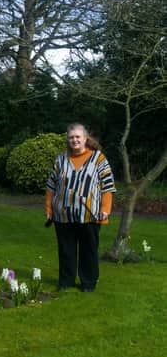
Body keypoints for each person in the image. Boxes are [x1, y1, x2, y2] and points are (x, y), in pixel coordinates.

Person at [46, 123, 116, 292]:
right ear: (67, 140)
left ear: (85, 138)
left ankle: (88, 283)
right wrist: (49, 210)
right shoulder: (60, 160)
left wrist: (106, 209)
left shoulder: (98, 159)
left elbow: (108, 187)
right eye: (71, 137)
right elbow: (51, 186)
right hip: (63, 214)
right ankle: (66, 282)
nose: (74, 140)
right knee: (66, 251)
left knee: (88, 251)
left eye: (78, 137)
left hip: (90, 214)